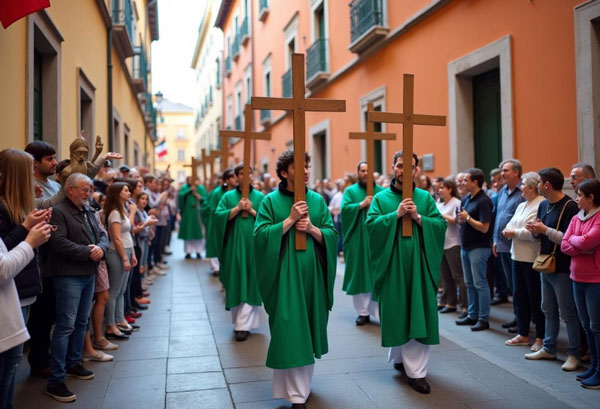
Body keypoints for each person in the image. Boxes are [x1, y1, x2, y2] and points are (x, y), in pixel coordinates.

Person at [254, 150, 337, 408]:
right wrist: (289, 221)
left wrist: (312, 229)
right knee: (290, 329)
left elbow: (332, 236)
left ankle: (301, 389)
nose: (305, 170)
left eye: (308, 165)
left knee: (308, 327)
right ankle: (297, 394)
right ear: (283, 172)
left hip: (312, 274)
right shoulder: (270, 202)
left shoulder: (318, 201)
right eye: (299, 166)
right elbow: (259, 237)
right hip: (284, 277)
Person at [366, 151, 446, 394]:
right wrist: (396, 214)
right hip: (393, 264)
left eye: (409, 166)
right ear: (393, 167)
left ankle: (417, 373)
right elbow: (371, 225)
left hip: (419, 264)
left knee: (418, 311)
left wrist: (419, 217)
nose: (404, 170)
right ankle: (401, 357)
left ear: (416, 170)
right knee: (398, 310)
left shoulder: (424, 197)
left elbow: (440, 224)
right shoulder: (381, 198)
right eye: (400, 166)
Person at [46, 173, 109, 402]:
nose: (88, 193)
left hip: (88, 273)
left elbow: (103, 235)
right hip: (68, 275)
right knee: (65, 326)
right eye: (84, 189)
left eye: (90, 189)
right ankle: (56, 380)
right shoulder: (59, 212)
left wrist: (101, 249)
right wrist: (89, 252)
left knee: (82, 322)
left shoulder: (89, 209)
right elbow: (59, 242)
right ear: (70, 190)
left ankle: (74, 363)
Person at [524, 167, 581, 372]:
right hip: (544, 262)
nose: (537, 185)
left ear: (547, 184)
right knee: (547, 308)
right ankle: (549, 347)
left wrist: (544, 230)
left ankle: (574, 353)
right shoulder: (543, 205)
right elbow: (538, 235)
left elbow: (568, 239)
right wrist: (535, 231)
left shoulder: (569, 207)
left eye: (539, 181)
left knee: (568, 312)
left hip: (563, 266)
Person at [0, 224, 51, 409]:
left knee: (11, 363)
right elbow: (3, 268)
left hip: (10, 308)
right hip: (6, 313)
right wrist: (29, 241)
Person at [214, 164, 264, 341]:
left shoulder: (259, 197)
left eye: (248, 173)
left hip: (253, 245)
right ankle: (240, 323)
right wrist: (237, 209)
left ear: (252, 175)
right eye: (241, 173)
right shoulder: (228, 197)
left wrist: (250, 209)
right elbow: (218, 217)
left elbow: (268, 221)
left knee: (252, 281)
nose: (245, 176)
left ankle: (243, 326)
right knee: (236, 281)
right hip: (234, 245)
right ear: (236, 176)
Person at [562, 179, 600, 388]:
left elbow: (586, 241)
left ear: (591, 197)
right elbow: (565, 245)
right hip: (577, 277)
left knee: (597, 327)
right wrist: (581, 244)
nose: (576, 199)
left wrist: (580, 242)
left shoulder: (599, 217)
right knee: (587, 326)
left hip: (596, 280)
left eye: (579, 195)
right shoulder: (577, 217)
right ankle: (594, 366)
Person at [502, 172, 545, 352]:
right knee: (519, 296)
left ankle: (541, 337)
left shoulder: (540, 204)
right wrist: (509, 230)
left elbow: (533, 231)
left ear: (532, 187)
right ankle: (523, 333)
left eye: (523, 185)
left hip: (531, 258)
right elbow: (510, 223)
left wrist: (515, 233)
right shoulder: (521, 205)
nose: (521, 188)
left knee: (535, 298)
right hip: (516, 256)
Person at [341, 161, 384, 325]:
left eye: (369, 170)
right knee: (360, 275)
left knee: (377, 274)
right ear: (358, 172)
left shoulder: (382, 192)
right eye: (362, 170)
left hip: (376, 240)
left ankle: (380, 312)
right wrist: (361, 204)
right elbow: (344, 210)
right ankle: (363, 312)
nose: (366, 173)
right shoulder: (350, 191)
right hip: (357, 240)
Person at [455, 168, 494, 331]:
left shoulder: (483, 200)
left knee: (480, 283)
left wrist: (468, 218)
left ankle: (483, 318)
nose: (463, 183)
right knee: (469, 283)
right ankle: (472, 314)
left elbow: (485, 227)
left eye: (465, 180)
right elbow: (462, 221)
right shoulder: (465, 199)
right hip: (466, 245)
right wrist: (460, 220)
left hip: (479, 246)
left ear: (475, 182)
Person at [492, 160, 526, 331]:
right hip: (502, 245)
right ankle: (517, 316)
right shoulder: (503, 191)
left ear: (516, 173)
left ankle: (524, 321)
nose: (502, 174)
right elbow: (498, 217)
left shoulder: (523, 191)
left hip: (517, 246)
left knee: (520, 287)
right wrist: (495, 240)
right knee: (512, 286)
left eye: (505, 170)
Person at [104, 182, 137, 341]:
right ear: (117, 193)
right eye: (125, 190)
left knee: (122, 290)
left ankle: (120, 320)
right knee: (114, 291)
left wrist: (133, 254)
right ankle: (110, 325)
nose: (129, 192)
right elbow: (116, 238)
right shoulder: (114, 213)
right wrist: (124, 257)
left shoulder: (123, 210)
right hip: (117, 253)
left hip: (127, 250)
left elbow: (128, 233)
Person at [437, 178, 467, 316]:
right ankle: (450, 302)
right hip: (442, 243)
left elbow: (457, 220)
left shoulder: (457, 202)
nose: (439, 190)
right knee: (446, 276)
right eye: (439, 188)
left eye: (443, 187)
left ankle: (465, 306)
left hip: (454, 243)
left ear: (450, 189)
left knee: (457, 276)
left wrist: (441, 215)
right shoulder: (440, 203)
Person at [205, 169, 236, 277]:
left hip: (234, 224)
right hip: (219, 223)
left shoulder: (239, 192)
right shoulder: (217, 193)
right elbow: (213, 210)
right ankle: (216, 267)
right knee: (217, 244)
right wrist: (228, 213)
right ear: (227, 180)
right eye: (233, 177)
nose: (236, 178)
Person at [178, 177, 208, 259]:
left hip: (198, 213)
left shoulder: (201, 188)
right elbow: (180, 197)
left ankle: (199, 251)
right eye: (189, 179)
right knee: (188, 232)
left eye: (193, 179)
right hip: (188, 214)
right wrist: (189, 191)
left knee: (199, 233)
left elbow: (206, 199)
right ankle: (188, 252)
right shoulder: (184, 187)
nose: (191, 181)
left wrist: (197, 195)